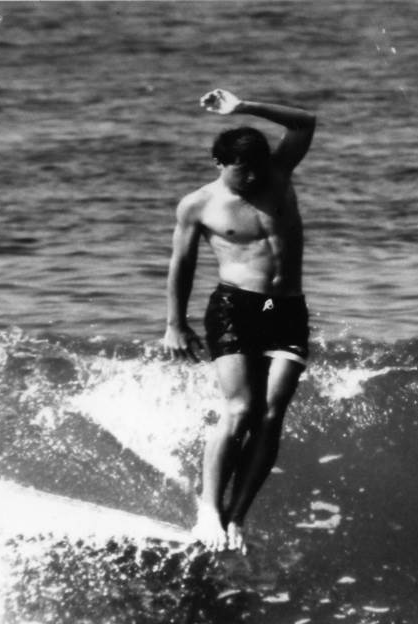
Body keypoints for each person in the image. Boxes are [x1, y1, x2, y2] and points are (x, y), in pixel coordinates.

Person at [163, 88, 316, 553]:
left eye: (254, 169)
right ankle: (208, 510)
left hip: (284, 307)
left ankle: (236, 519)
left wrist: (245, 106)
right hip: (236, 306)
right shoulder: (198, 204)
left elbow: (304, 121)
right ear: (217, 162)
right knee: (241, 409)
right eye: (238, 171)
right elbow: (182, 263)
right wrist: (175, 323)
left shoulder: (279, 174)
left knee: (271, 416)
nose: (249, 178)